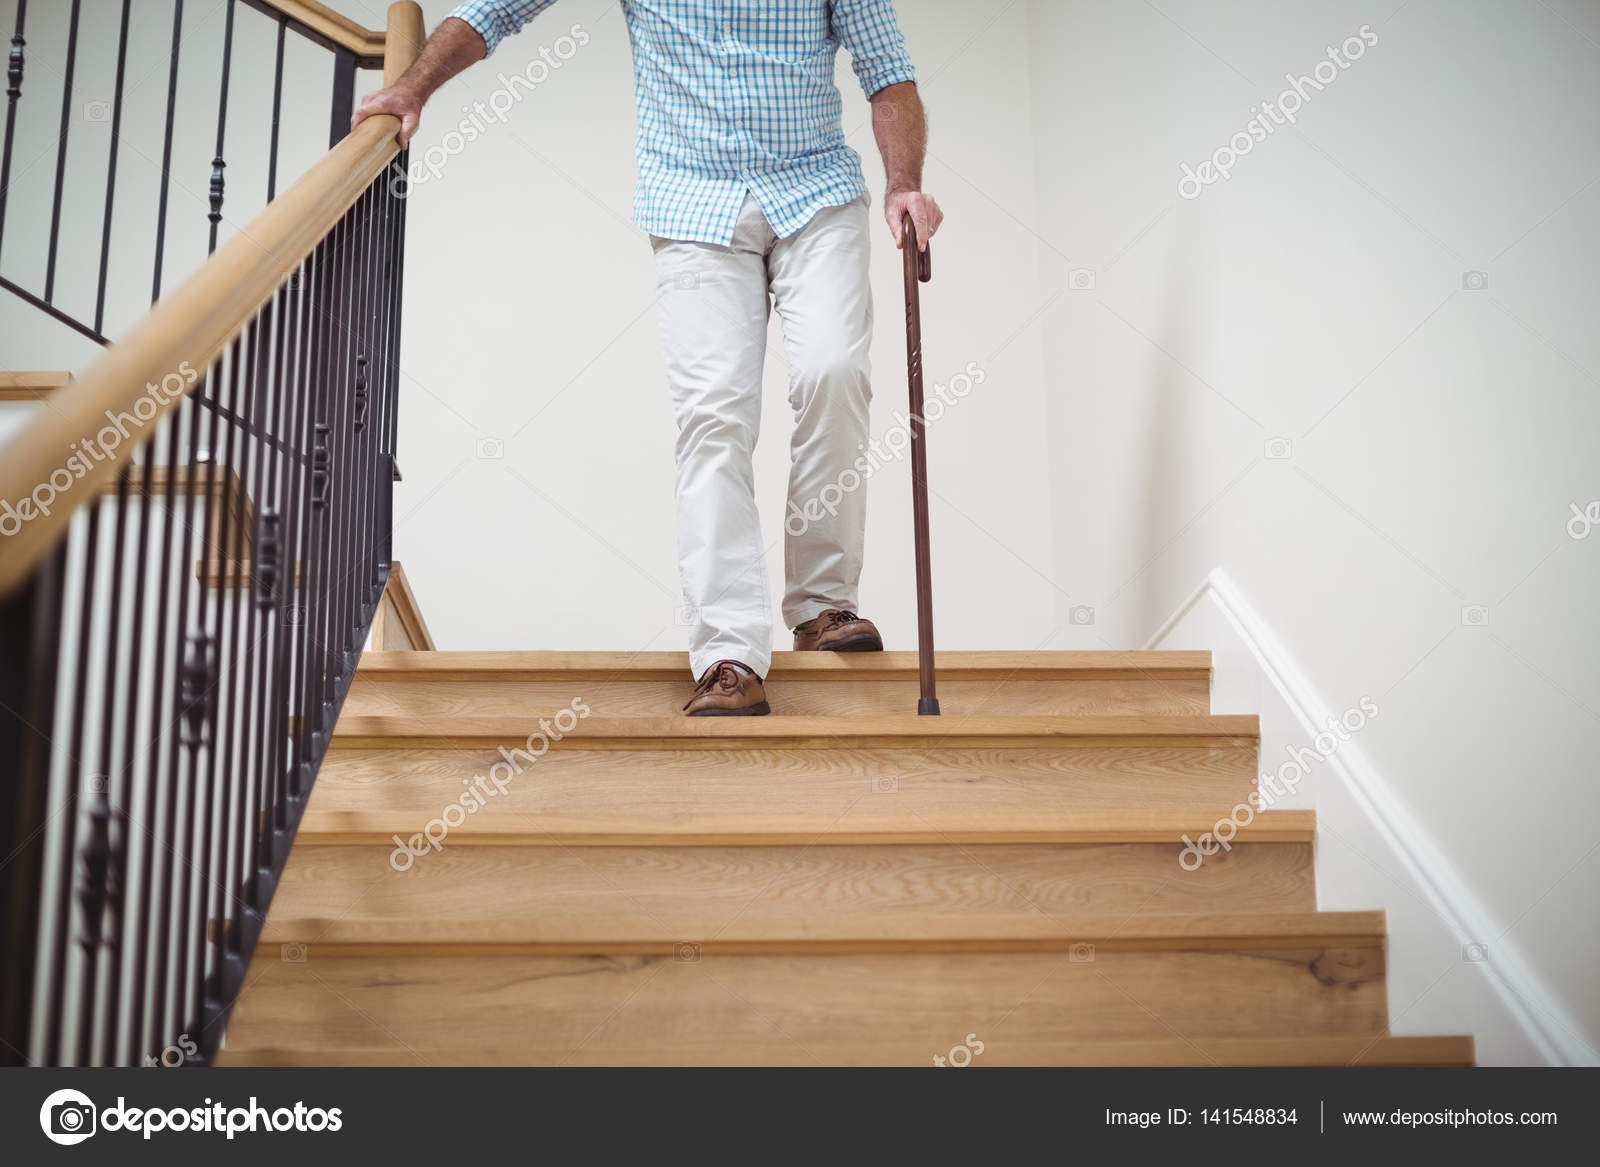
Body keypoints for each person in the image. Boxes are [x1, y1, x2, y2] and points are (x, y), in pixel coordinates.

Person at [353, 0, 943, 715]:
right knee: (714, 416)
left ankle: (823, 608)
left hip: (815, 192)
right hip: (692, 203)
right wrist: (413, 88)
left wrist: (903, 181)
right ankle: (728, 651)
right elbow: (496, 11)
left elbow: (889, 73)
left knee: (834, 372)